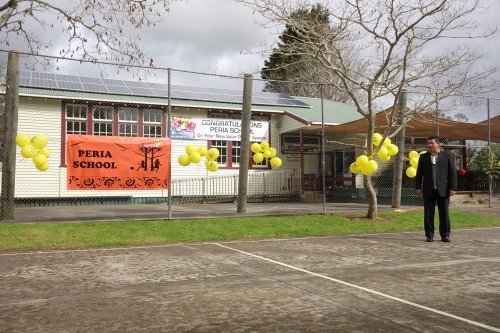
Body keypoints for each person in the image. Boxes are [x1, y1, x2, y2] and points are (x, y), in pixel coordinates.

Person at [415, 136, 457, 243]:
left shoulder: (447, 156)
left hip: (443, 189)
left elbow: (453, 173)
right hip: (429, 190)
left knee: (444, 213)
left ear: (438, 144)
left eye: (432, 143)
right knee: (428, 214)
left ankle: (445, 235)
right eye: (428, 143)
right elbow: (419, 174)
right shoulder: (423, 157)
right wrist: (418, 187)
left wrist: (453, 188)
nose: (429, 145)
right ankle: (429, 235)